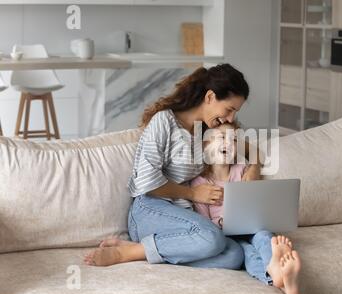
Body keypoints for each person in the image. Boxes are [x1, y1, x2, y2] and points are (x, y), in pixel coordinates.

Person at [84, 64, 254, 270]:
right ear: (210, 97)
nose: (230, 119)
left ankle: (157, 248)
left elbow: (251, 149)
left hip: (183, 218)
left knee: (234, 255)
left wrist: (254, 168)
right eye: (229, 109)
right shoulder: (164, 121)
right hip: (151, 209)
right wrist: (192, 193)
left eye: (235, 112)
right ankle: (128, 252)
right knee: (211, 237)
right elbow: (147, 181)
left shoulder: (208, 131)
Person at [190, 122, 301, 294]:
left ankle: (277, 269)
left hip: (251, 227)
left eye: (234, 140)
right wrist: (220, 222)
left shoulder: (242, 170)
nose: (228, 143)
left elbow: (258, 200)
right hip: (225, 235)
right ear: (206, 145)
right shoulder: (200, 183)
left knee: (266, 237)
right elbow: (203, 223)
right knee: (246, 253)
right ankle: (281, 284)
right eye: (222, 137)